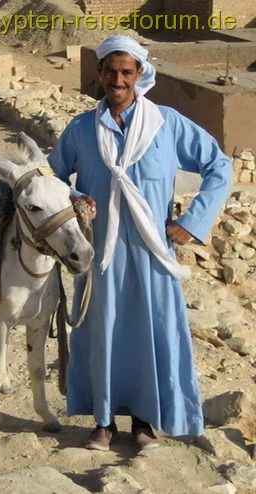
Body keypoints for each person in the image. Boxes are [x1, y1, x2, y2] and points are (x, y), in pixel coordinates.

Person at [48, 35, 232, 452]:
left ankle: (145, 423)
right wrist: (76, 199)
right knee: (102, 334)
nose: (118, 80)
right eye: (111, 71)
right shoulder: (80, 129)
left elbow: (219, 165)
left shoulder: (166, 124)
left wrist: (192, 222)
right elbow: (52, 179)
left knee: (152, 335)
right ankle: (103, 421)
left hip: (154, 257)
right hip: (104, 258)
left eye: (127, 72)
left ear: (139, 75)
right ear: (100, 74)